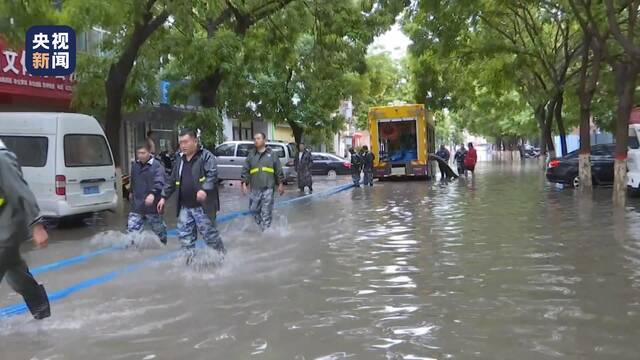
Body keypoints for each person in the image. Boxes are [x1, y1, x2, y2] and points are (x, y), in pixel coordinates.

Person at [0, 139, 50, 320]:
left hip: (7, 229)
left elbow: (21, 191)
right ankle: (42, 313)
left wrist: (37, 224)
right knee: (18, 277)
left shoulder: (1, 159)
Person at [158, 129, 225, 260]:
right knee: (185, 239)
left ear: (195, 141)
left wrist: (204, 189)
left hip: (203, 207)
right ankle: (190, 266)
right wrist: (163, 197)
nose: (183, 145)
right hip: (185, 207)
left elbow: (212, 175)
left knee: (210, 237)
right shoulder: (179, 159)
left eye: (186, 142)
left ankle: (221, 260)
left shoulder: (206, 156)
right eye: (181, 142)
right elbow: (172, 180)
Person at [241, 133, 285, 231]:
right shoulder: (251, 155)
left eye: (258, 138)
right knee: (253, 210)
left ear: (264, 140)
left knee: (266, 211)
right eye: (255, 139)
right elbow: (245, 170)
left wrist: (281, 184)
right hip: (255, 188)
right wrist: (244, 184)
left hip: (268, 188)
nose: (256, 140)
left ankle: (266, 232)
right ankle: (260, 227)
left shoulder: (272, 154)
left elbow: (278, 170)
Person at [127, 143, 167, 245]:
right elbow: (133, 180)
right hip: (137, 204)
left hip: (152, 205)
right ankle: (132, 248)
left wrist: (152, 194)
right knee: (132, 230)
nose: (140, 155)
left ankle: (162, 244)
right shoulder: (135, 166)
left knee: (158, 230)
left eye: (143, 153)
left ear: (149, 152)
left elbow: (160, 182)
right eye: (138, 153)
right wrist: (131, 192)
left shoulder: (157, 166)